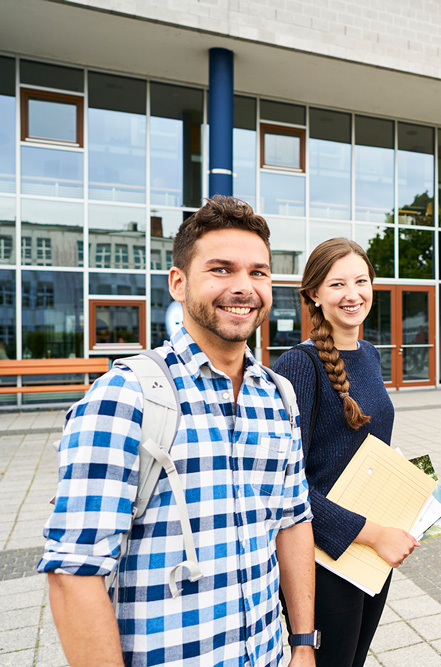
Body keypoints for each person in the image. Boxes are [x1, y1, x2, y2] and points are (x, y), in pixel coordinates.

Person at [39, 196, 317, 667]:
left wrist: (304, 645)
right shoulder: (124, 397)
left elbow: (292, 523)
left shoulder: (278, 396)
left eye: (258, 272)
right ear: (179, 282)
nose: (243, 287)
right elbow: (74, 571)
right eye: (221, 270)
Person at [272, 238, 415, 667]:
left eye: (361, 281)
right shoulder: (300, 364)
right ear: (314, 293)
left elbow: (363, 449)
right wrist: (374, 532)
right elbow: (286, 482)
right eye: (337, 284)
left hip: (372, 547)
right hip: (322, 554)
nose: (352, 294)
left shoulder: (368, 354)